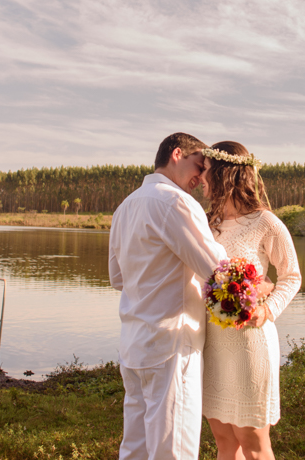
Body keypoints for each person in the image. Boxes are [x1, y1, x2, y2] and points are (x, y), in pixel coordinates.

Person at [109, 132, 228, 460]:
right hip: (171, 346)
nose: (201, 176)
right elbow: (215, 270)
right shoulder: (175, 202)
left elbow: (117, 278)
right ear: (177, 154)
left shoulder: (126, 206)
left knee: (134, 448)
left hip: (134, 345)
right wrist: (255, 284)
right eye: (198, 165)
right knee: (174, 451)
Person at [200, 141, 302, 460]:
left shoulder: (266, 223)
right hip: (213, 344)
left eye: (205, 171)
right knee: (223, 439)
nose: (200, 178)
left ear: (224, 174)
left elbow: (291, 276)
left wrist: (267, 308)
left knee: (253, 442)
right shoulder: (205, 225)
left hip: (250, 344)